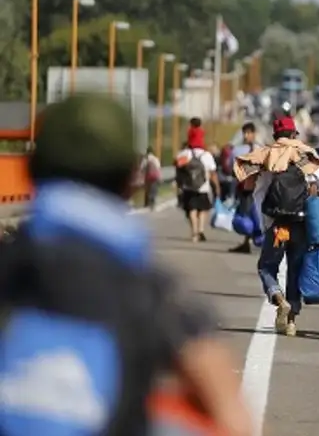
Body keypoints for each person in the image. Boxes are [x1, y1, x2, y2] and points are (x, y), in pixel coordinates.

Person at [1, 95, 250, 435]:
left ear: (30, 170)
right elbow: (230, 414)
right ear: (130, 181)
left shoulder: (12, 262)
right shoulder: (150, 290)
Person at [236, 116, 319, 337]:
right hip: (301, 225)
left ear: (275, 135)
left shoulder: (267, 157)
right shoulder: (306, 156)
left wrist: (266, 223)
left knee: (267, 267)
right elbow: (316, 190)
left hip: (277, 225)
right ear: (294, 134)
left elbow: (257, 192)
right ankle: (291, 321)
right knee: (295, 270)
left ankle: (278, 297)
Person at [175, 132, 220, 242]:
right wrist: (217, 187)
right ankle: (201, 229)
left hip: (188, 186)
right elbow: (213, 173)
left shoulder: (185, 153)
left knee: (192, 209)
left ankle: (194, 232)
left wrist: (179, 183)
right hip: (204, 187)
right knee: (203, 209)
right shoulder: (206, 155)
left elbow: (177, 166)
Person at [228, 122, 261, 254]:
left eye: (249, 133)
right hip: (245, 189)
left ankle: (254, 240)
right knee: (246, 214)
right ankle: (247, 241)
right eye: (245, 133)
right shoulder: (237, 150)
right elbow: (232, 169)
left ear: (254, 134)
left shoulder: (260, 150)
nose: (247, 136)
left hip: (258, 188)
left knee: (257, 214)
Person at [141, 146, 161, 210]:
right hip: (155, 176)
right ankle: (152, 203)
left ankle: (146, 203)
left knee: (147, 189)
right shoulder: (155, 158)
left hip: (148, 176)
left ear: (147, 152)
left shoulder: (145, 159)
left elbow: (142, 168)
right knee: (154, 189)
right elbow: (158, 167)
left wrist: (143, 173)